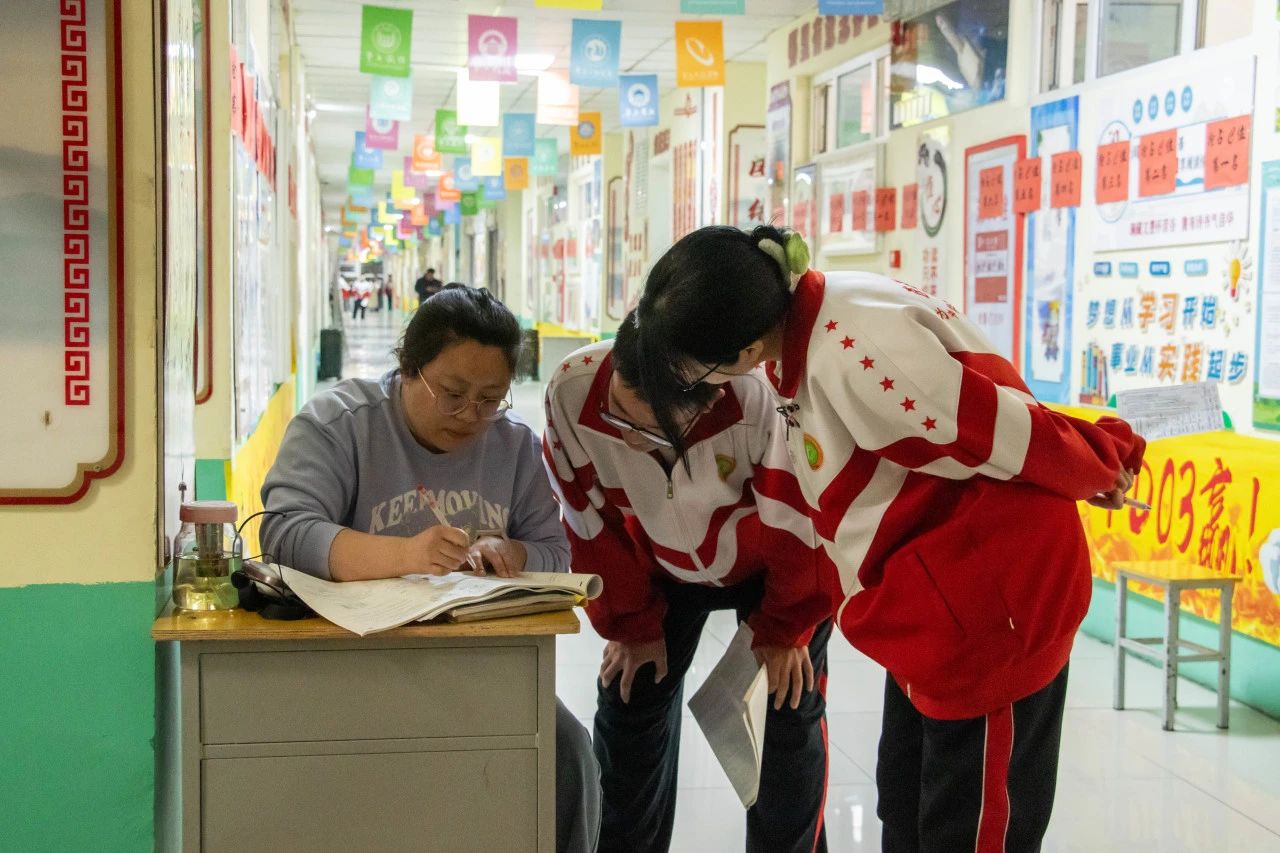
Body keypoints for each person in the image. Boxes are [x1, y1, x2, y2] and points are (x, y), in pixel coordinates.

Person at [629, 225, 1147, 853]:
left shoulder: (855, 349)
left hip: (992, 612)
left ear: (745, 346)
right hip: (930, 604)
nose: (696, 383)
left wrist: (1104, 462)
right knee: (905, 803)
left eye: (695, 369)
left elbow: (1007, 430)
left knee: (969, 824)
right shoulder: (805, 334)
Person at [260, 285, 601, 853]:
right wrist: (404, 555)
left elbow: (555, 553)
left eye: (490, 399)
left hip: (483, 668)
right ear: (407, 366)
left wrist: (512, 553)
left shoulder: (513, 448)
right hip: (351, 665)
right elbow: (285, 533)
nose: (470, 416)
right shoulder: (340, 425)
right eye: (452, 393)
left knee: (569, 753)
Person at [542, 313, 833, 853]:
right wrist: (630, 624)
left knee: (786, 709)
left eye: (656, 434)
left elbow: (802, 519)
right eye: (620, 416)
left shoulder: (756, 397)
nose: (631, 442)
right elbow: (588, 523)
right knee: (628, 700)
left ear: (710, 397)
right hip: (656, 566)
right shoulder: (572, 390)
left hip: (772, 570)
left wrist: (786, 628)